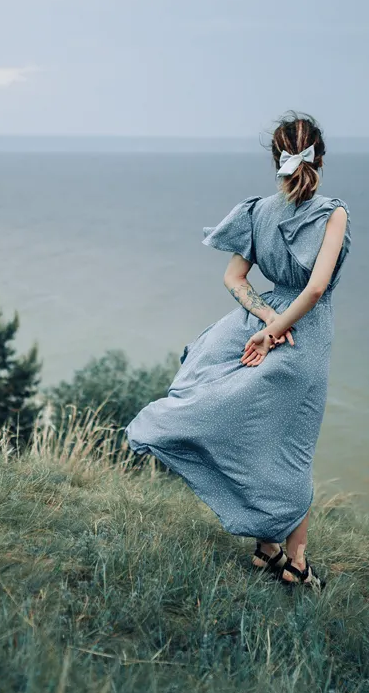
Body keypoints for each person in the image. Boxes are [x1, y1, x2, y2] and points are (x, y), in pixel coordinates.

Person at [125, 112, 351, 590]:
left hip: (259, 320)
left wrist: (265, 319)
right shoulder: (334, 213)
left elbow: (234, 278)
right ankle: (295, 562)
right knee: (292, 444)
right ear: (321, 159)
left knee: (253, 431)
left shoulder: (255, 212)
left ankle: (266, 546)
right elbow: (313, 292)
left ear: (276, 160)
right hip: (301, 335)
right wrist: (276, 330)